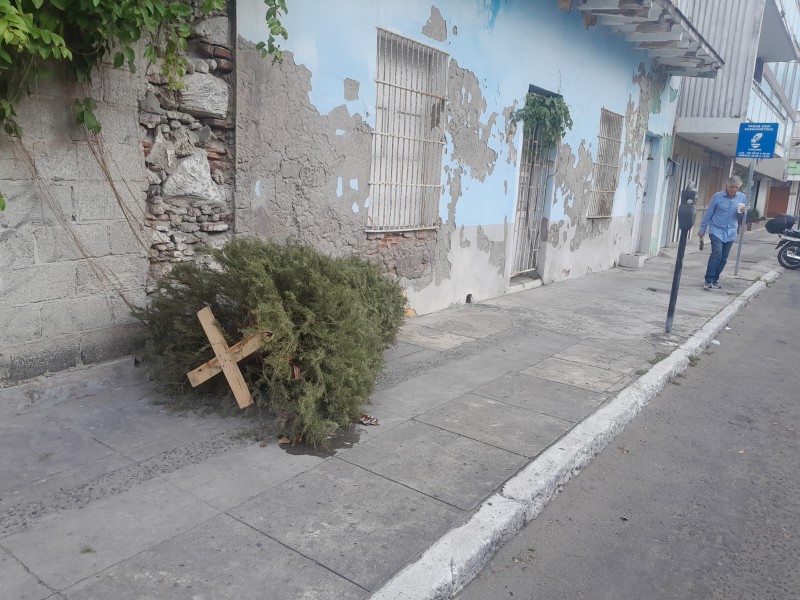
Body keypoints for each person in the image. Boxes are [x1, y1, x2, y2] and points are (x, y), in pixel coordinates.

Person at [697, 176, 747, 289]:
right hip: (716, 229)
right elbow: (709, 213)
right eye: (731, 187)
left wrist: (743, 213)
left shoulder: (742, 197)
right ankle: (708, 280)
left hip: (731, 232)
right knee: (717, 254)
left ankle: (715, 280)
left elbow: (743, 216)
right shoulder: (717, 196)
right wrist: (702, 229)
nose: (733, 190)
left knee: (724, 257)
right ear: (726, 186)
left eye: (736, 187)